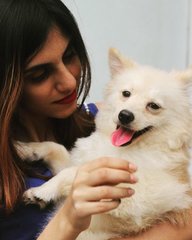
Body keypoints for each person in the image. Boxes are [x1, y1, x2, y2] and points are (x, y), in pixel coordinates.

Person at [0, 0, 191, 240]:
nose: (69, 82)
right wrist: (69, 217)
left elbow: (186, 220)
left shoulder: (93, 120)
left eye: (70, 56)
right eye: (40, 74)